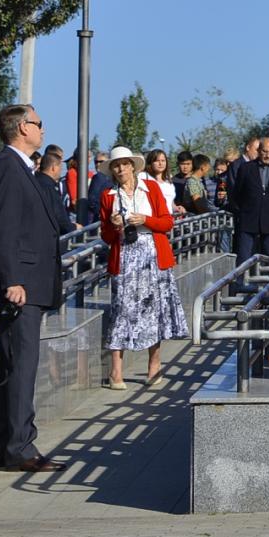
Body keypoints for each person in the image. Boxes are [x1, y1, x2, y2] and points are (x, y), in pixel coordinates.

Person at [0, 104, 66, 473]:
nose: (43, 130)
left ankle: (8, 445)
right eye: (38, 123)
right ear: (21, 128)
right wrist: (12, 279)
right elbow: (3, 228)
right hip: (21, 287)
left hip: (30, 284)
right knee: (21, 366)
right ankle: (18, 447)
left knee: (17, 365)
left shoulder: (22, 169)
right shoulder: (6, 167)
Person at [100, 147, 188, 389]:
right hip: (125, 255)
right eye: (116, 166)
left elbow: (167, 222)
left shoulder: (152, 189)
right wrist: (113, 224)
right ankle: (115, 371)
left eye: (124, 164)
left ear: (133, 166)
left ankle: (154, 366)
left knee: (154, 310)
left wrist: (145, 220)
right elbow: (106, 236)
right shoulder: (108, 195)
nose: (120, 169)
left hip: (152, 254)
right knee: (121, 311)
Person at [228, 137, 269, 261]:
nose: (267, 155)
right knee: (244, 257)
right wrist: (243, 211)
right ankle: (240, 280)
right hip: (248, 219)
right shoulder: (246, 168)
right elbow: (237, 193)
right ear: (259, 150)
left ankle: (267, 280)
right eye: (265, 151)